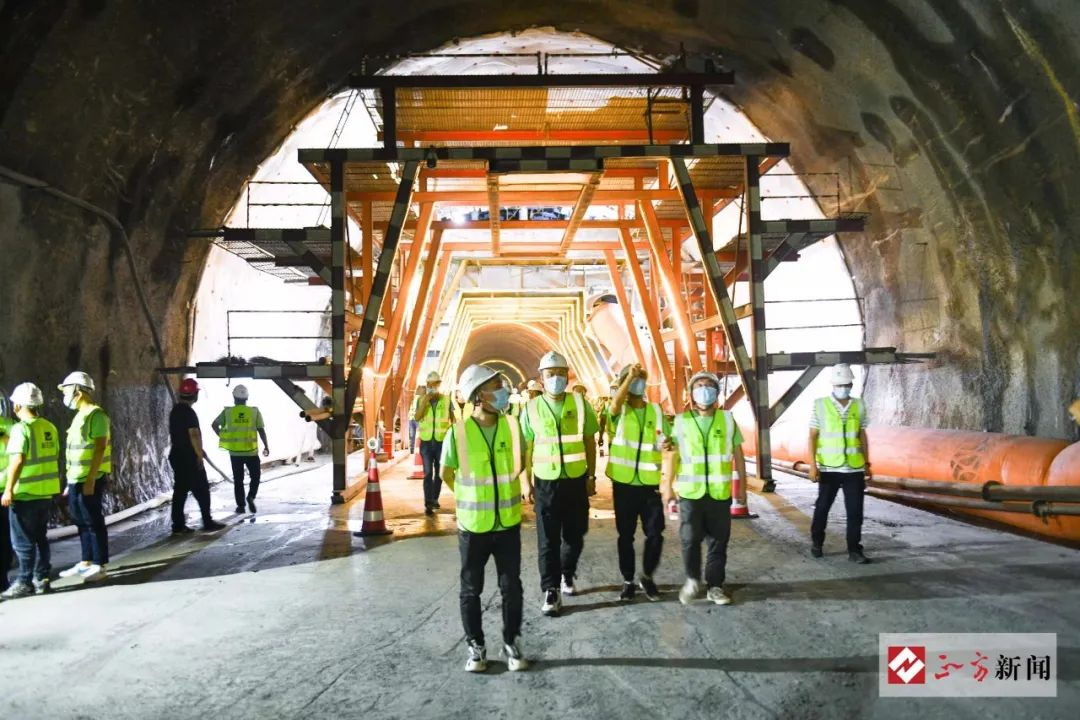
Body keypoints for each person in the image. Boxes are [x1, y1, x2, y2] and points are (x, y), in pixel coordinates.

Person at [441, 365, 528, 673]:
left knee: (512, 587)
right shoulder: (458, 433)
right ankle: (476, 647)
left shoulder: (513, 427)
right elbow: (447, 473)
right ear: (478, 395)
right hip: (473, 527)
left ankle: (511, 642)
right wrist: (470, 499)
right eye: (496, 386)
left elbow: (521, 463)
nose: (503, 390)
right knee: (470, 590)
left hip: (507, 523)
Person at [521, 351, 599, 616]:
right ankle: (551, 589)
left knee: (575, 535)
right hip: (546, 483)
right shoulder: (531, 408)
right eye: (550, 374)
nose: (555, 378)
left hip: (576, 481)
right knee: (548, 540)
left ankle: (567, 572)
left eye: (560, 373)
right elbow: (526, 449)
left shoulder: (580, 404)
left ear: (568, 376)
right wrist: (525, 482)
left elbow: (589, 442)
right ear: (542, 378)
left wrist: (591, 476)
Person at [663, 371, 747, 606]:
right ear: (691, 394)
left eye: (708, 385)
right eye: (698, 386)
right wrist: (667, 487)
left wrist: (742, 488)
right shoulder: (681, 421)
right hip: (691, 493)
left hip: (719, 493)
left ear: (717, 392)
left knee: (718, 542)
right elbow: (672, 455)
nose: (704, 389)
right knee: (689, 539)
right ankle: (692, 580)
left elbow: (739, 455)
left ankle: (715, 586)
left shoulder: (727, 420)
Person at [606, 364, 669, 602]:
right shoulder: (619, 411)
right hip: (624, 483)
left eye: (641, 379)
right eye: (633, 380)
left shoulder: (656, 411)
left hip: (650, 483)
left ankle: (647, 576)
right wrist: (629, 377)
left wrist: (668, 444)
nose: (637, 383)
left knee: (655, 533)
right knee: (626, 535)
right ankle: (628, 580)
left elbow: (667, 439)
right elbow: (615, 404)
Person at [0, 383, 61, 599]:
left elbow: (17, 460)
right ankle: (41, 578)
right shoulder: (49, 427)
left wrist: (8, 490)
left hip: (24, 493)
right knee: (40, 538)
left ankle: (24, 581)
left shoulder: (21, 429)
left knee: (22, 542)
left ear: (18, 405)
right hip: (45, 493)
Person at [809, 363, 871, 564]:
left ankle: (854, 550)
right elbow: (812, 436)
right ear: (833, 385)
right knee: (822, 508)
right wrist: (812, 465)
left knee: (855, 512)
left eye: (847, 384)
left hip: (854, 468)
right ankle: (817, 543)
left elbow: (862, 435)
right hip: (829, 468)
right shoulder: (820, 405)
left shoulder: (859, 405)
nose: (844, 388)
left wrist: (867, 463)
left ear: (851, 384)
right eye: (840, 384)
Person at [56, 372, 111, 583]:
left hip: (90, 478)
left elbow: (100, 448)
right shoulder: (80, 415)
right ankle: (86, 561)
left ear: (78, 392)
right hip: (76, 479)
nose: (65, 396)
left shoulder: (96, 416)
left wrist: (90, 480)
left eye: (67, 391)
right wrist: (70, 482)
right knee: (80, 520)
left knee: (93, 520)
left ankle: (99, 564)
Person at [168, 378, 225, 534]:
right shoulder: (189, 412)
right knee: (202, 490)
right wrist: (199, 454)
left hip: (176, 455)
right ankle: (207, 522)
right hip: (189, 457)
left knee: (180, 491)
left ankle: (178, 525)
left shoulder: (175, 411)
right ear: (194, 395)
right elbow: (193, 434)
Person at [211, 384, 269, 514]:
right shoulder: (254, 412)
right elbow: (261, 430)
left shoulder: (228, 412)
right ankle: (251, 496)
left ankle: (241, 506)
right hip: (251, 452)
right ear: (247, 398)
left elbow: (214, 425)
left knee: (238, 480)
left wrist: (224, 437)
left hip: (235, 453)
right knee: (256, 477)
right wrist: (266, 446)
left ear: (234, 397)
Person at [413, 371, 455, 516]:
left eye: (435, 384)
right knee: (428, 473)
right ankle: (428, 501)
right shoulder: (421, 400)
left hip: (441, 442)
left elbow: (453, 419)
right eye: (430, 385)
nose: (432, 387)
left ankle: (435, 498)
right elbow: (417, 417)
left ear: (439, 385)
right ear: (427, 385)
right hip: (426, 443)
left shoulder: (447, 400)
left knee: (439, 473)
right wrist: (425, 400)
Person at [0, 391, 14, 593]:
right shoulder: (13, 426)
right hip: (7, 488)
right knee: (4, 537)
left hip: (5, 489)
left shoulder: (10, 428)